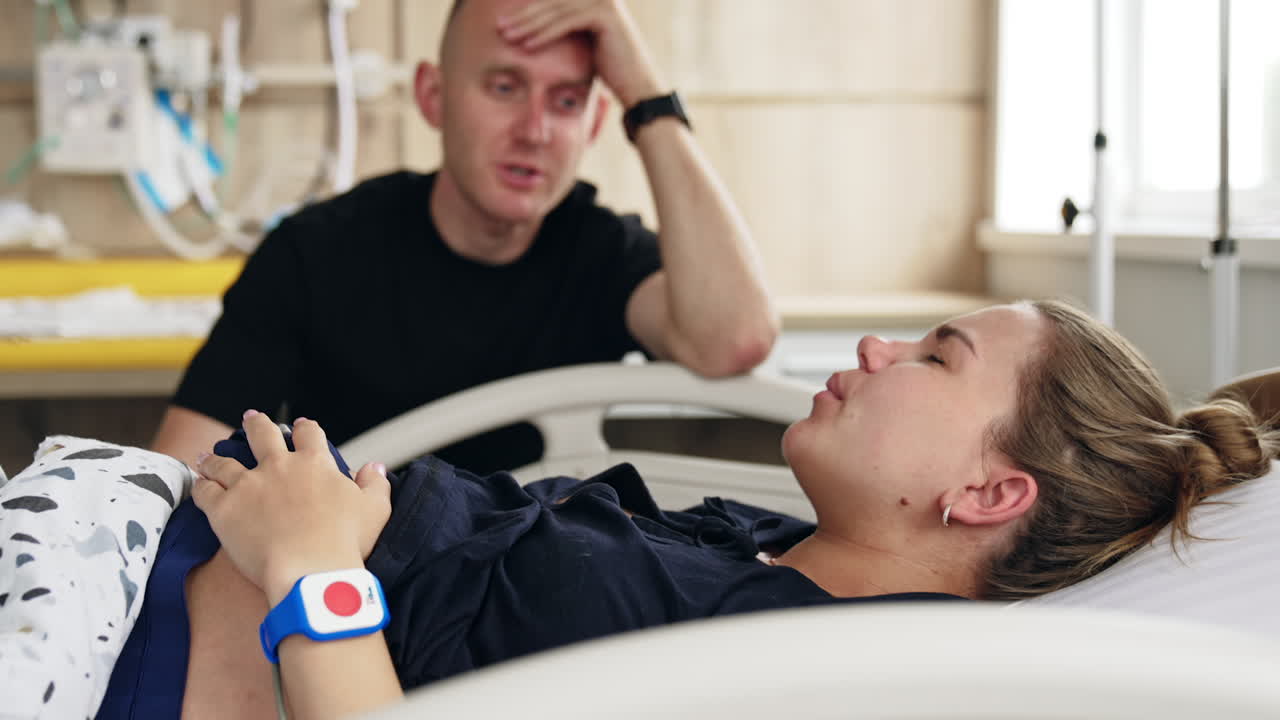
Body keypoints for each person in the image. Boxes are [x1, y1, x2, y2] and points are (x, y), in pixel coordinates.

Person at [87, 299, 1275, 719]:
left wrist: (309, 567)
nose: (877, 343)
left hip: (109, 657)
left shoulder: (797, 682)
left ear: (988, 492)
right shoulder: (771, 553)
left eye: (935, 355)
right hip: (118, 546)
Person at [150, 0, 779, 473]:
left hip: (546, 597)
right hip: (369, 599)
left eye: (565, 102)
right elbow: (185, 465)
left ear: (593, 127)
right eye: (504, 88)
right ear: (433, 96)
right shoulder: (315, 254)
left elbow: (735, 338)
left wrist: (646, 94)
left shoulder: (600, 253)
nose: (534, 131)